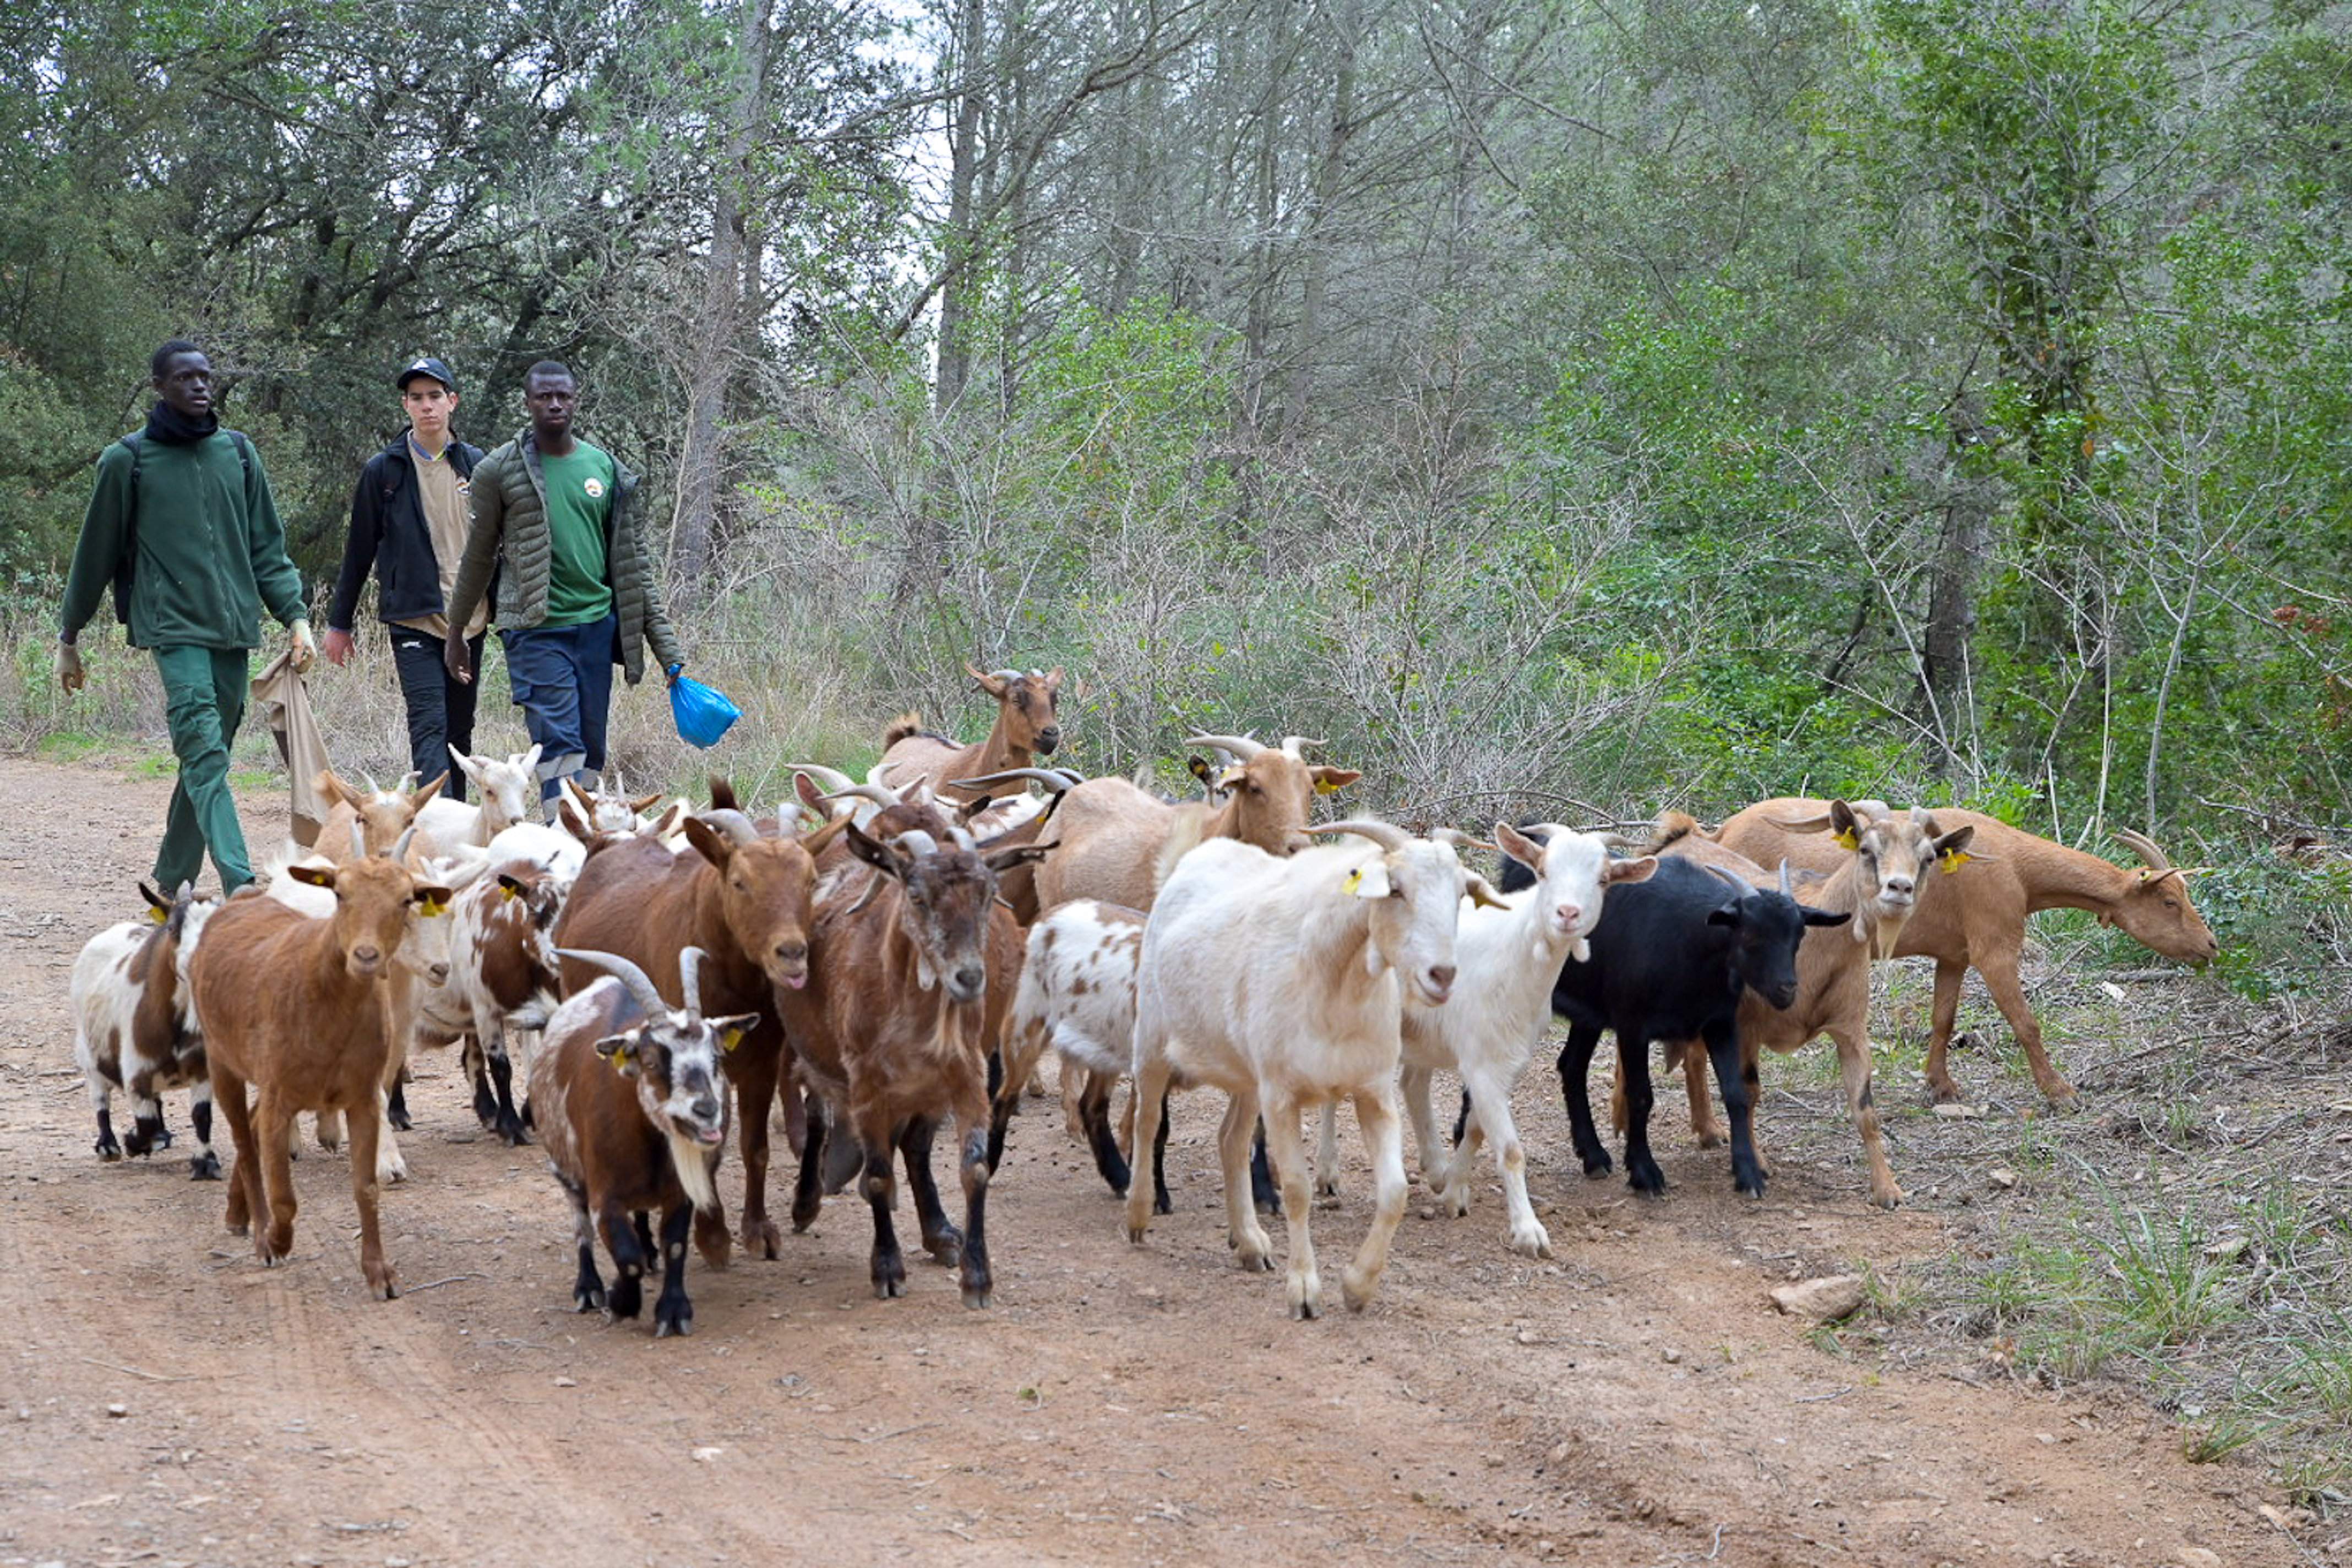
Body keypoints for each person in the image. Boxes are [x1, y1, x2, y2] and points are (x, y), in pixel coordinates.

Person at [57, 340, 316, 894]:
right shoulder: (127, 460)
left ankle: (170, 879)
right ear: (159, 386)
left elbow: (268, 550)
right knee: (202, 746)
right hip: (172, 629)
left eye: (205, 377)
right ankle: (240, 881)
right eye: (184, 379)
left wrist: (295, 616)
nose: (199, 386)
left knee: (208, 756)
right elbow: (93, 555)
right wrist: (69, 635)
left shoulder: (240, 454)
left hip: (233, 630)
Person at [443, 360, 685, 818]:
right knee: (559, 743)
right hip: (534, 631)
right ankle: (560, 841)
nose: (554, 404)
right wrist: (457, 632)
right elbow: (478, 556)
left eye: (563, 396)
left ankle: (579, 841)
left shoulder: (606, 469)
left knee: (591, 747)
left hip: (596, 627)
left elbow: (635, 569)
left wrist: (667, 652)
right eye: (544, 396)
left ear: (576, 399)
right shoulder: (499, 470)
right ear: (528, 402)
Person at [322, 356, 487, 800]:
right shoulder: (385, 471)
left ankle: (457, 835)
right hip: (414, 617)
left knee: (459, 730)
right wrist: (340, 625)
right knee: (428, 723)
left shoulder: (477, 466)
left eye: (435, 396)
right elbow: (358, 552)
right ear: (406, 406)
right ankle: (436, 828)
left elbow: (504, 543)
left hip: (471, 620)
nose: (427, 406)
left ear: (452, 402)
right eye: (417, 398)